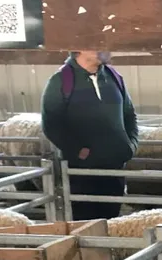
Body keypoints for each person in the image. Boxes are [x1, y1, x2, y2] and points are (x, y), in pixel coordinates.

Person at [41, 50, 139, 221]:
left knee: (112, 222)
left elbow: (129, 114)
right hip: (82, 172)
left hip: (115, 169)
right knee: (86, 225)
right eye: (98, 45)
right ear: (79, 48)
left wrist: (130, 145)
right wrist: (77, 151)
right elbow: (51, 124)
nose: (105, 49)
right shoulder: (61, 81)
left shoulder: (113, 76)